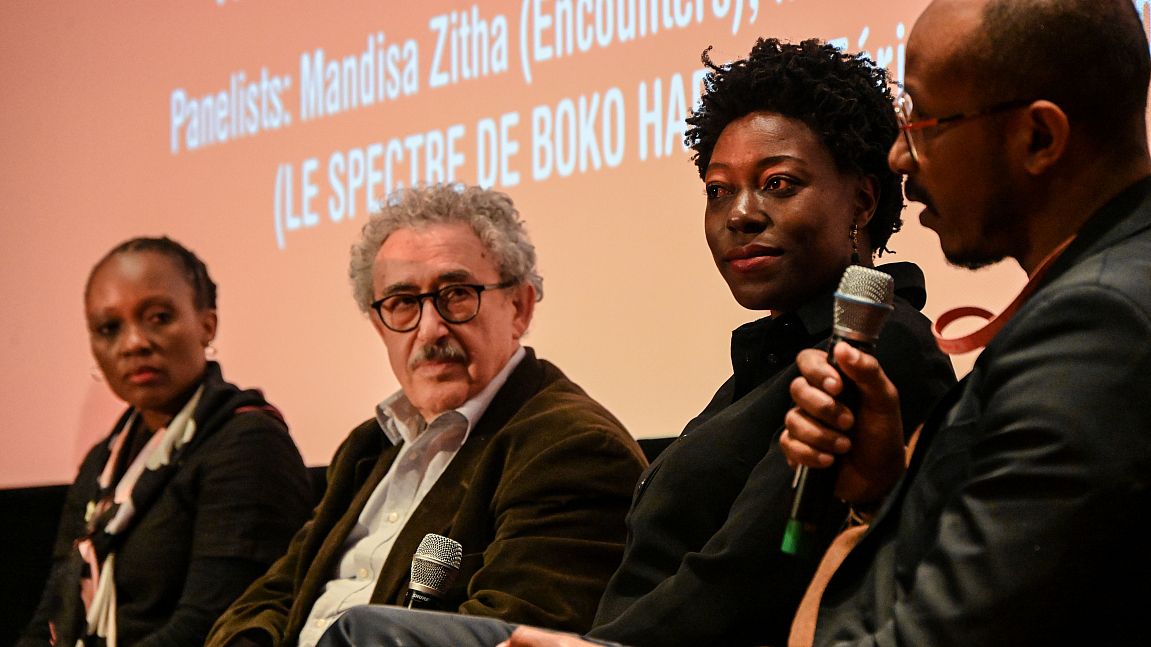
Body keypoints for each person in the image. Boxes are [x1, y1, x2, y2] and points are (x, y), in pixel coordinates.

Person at [312, 38, 954, 647]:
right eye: (718, 191)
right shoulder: (764, 366)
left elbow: (750, 576)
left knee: (371, 634)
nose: (740, 214)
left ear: (862, 200)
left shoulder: (878, 349)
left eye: (778, 183)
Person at [780, 0, 1151, 644]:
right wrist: (884, 495)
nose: (898, 156)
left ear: (1040, 138)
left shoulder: (1098, 325)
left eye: (921, 121)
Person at [204, 184, 647, 647]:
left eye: (456, 294)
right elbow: (273, 597)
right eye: (402, 302)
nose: (431, 329)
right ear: (379, 325)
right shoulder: (369, 445)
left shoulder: (573, 448)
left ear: (519, 307)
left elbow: (505, 635)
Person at [18, 237, 313, 647]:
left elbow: (211, 626)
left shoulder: (249, 444)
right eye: (109, 328)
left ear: (207, 324)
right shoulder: (103, 460)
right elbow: (51, 616)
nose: (134, 343)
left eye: (158, 317)